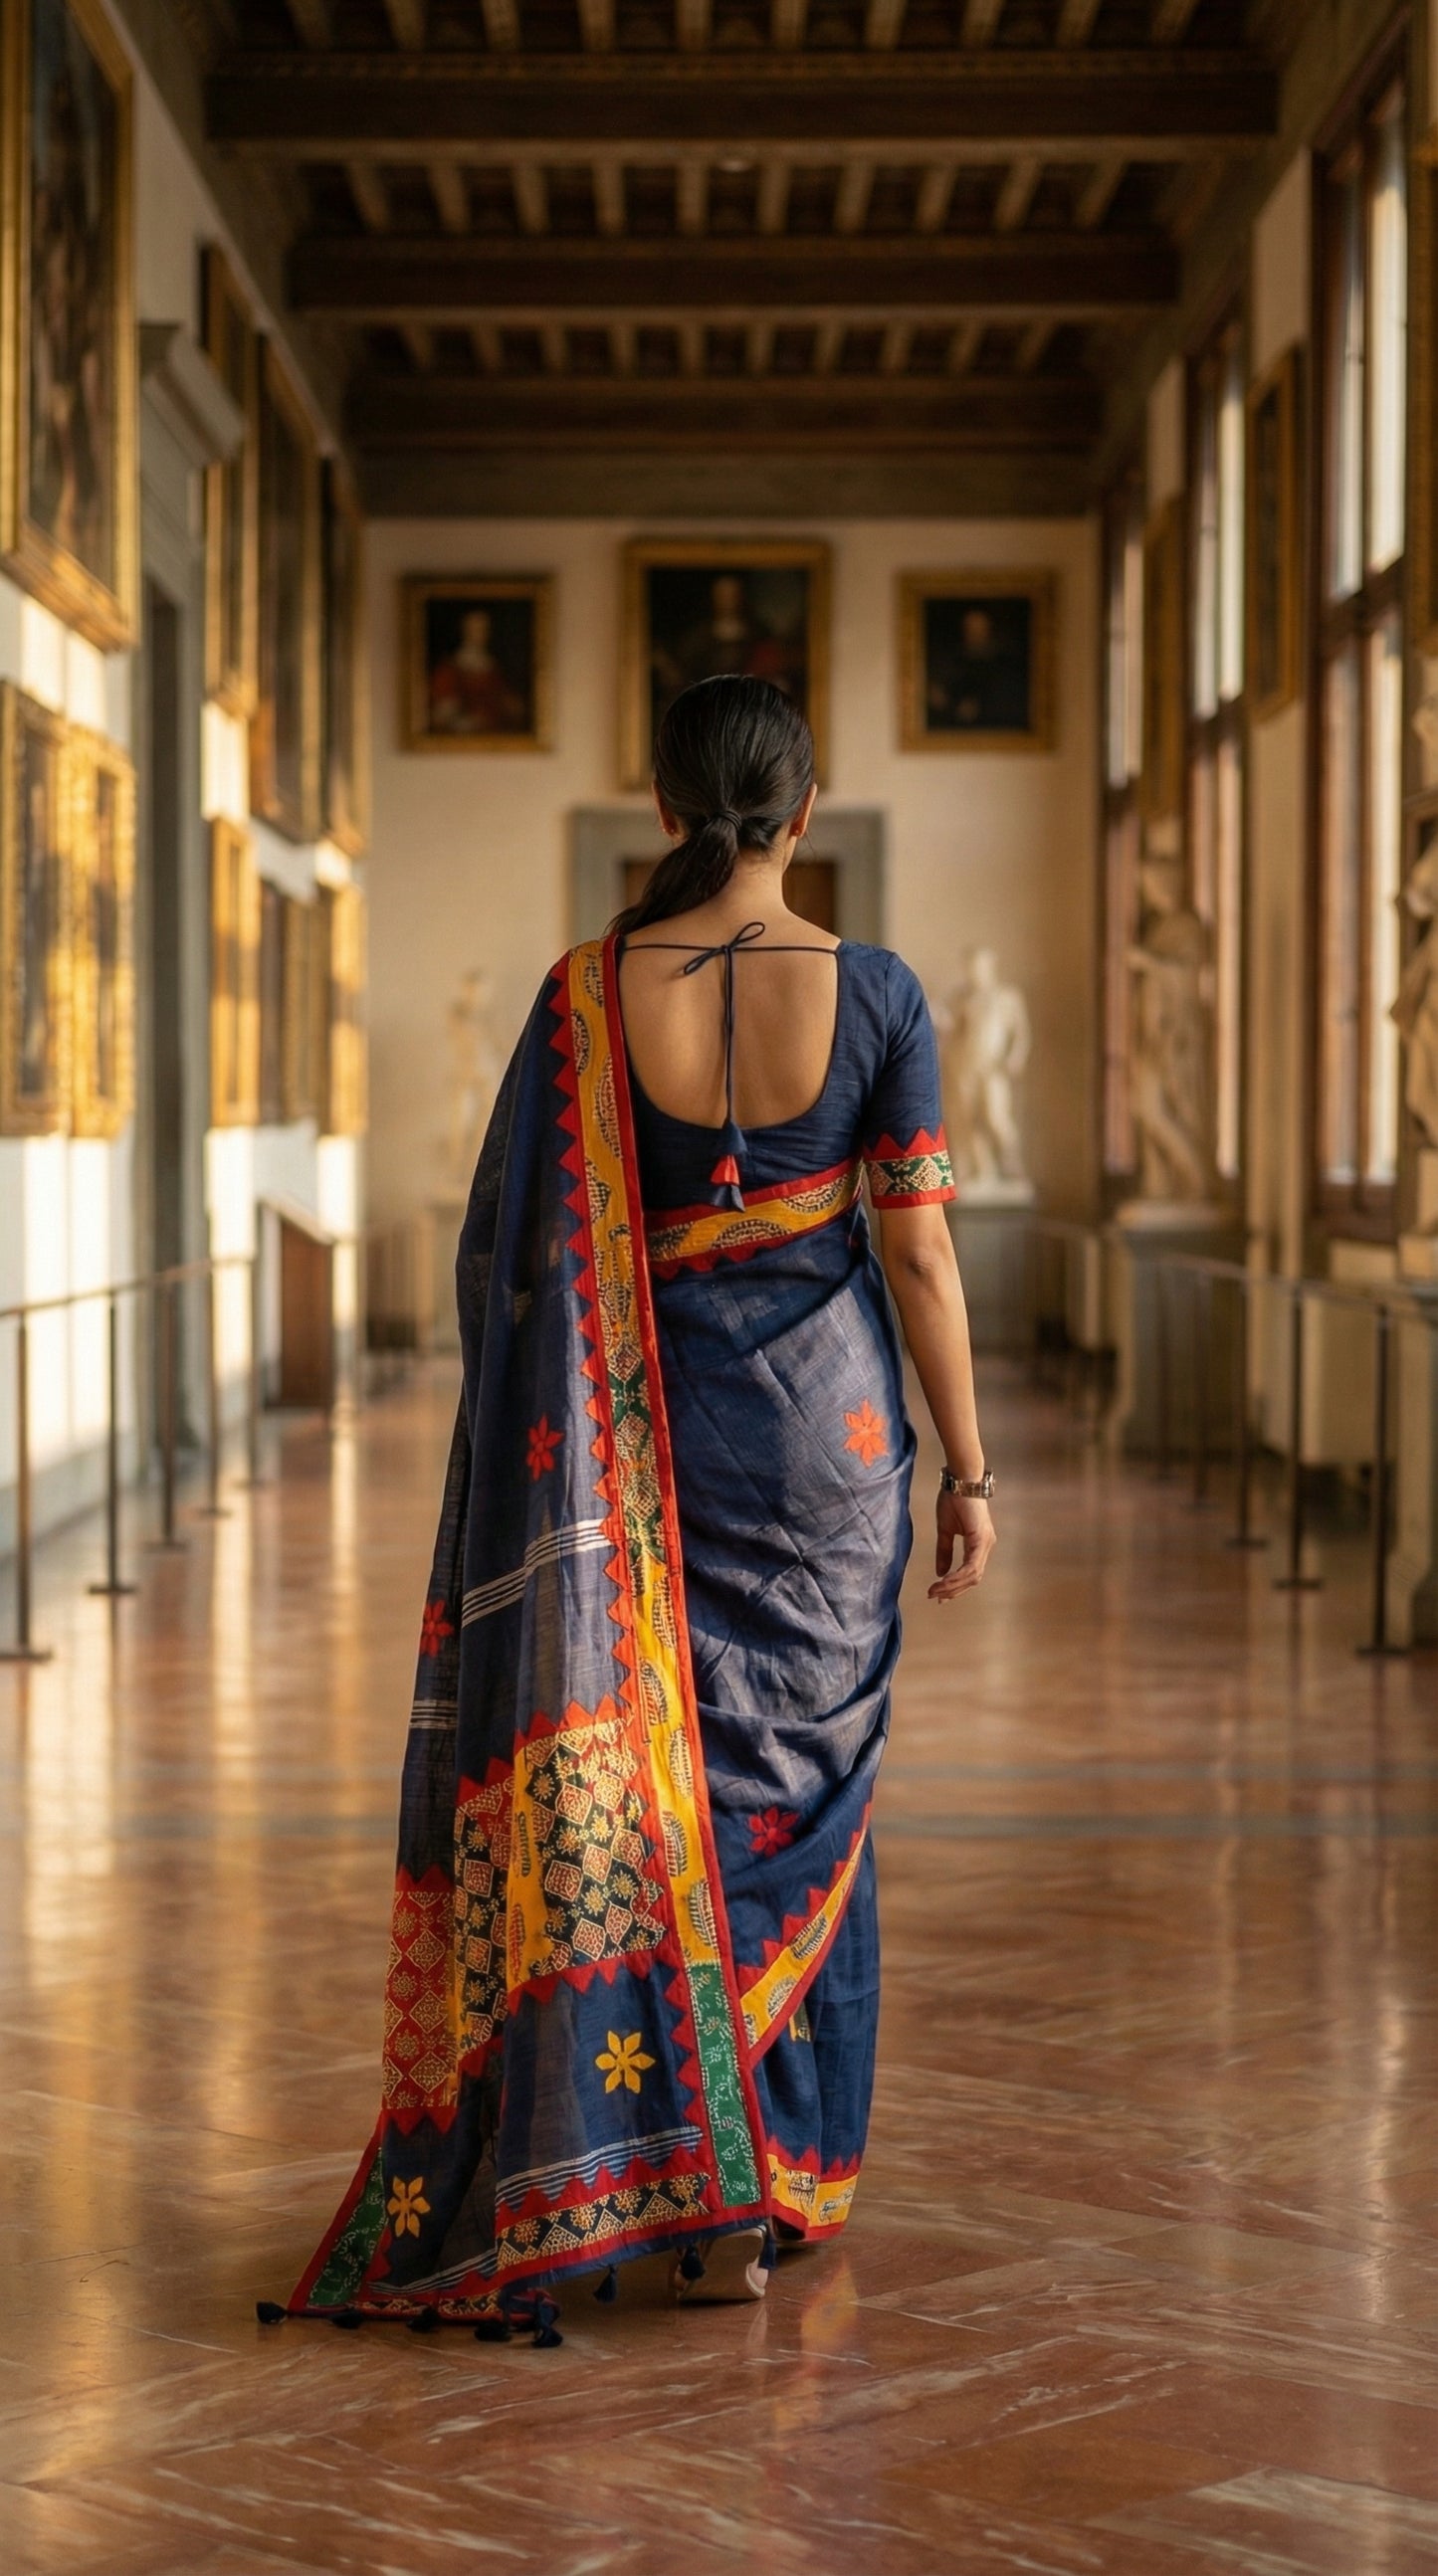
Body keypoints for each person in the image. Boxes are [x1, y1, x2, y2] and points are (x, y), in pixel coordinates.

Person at [264, 676, 993, 2344]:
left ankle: (649, 2162)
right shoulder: (874, 991)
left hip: (631, 1447)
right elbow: (921, 1252)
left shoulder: (586, 993)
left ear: (667, 810)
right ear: (801, 811)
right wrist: (968, 1465)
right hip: (831, 1448)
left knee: (650, 1790)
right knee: (791, 1791)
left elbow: (508, 1254)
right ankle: (762, 2186)